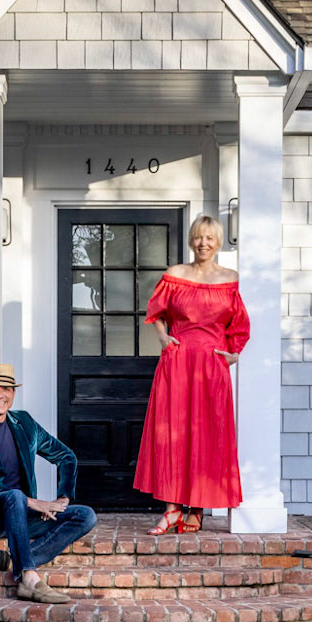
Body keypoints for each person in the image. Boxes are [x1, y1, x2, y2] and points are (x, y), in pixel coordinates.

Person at [132, 215, 249, 533]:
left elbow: (239, 325)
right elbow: (156, 312)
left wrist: (234, 353)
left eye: (210, 238)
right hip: (178, 362)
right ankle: (172, 509)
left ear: (219, 241)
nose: (204, 243)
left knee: (206, 435)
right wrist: (163, 338)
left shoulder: (230, 278)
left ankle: (195, 509)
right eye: (198, 237)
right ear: (191, 240)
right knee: (172, 433)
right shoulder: (175, 274)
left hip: (212, 367)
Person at [0, 363, 97, 602]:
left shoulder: (24, 423)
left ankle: (15, 558)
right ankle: (29, 579)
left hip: (20, 514)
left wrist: (62, 499)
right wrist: (34, 503)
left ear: (13, 394)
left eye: (6, 389)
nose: (0, 395)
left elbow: (65, 456)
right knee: (14, 496)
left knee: (85, 515)